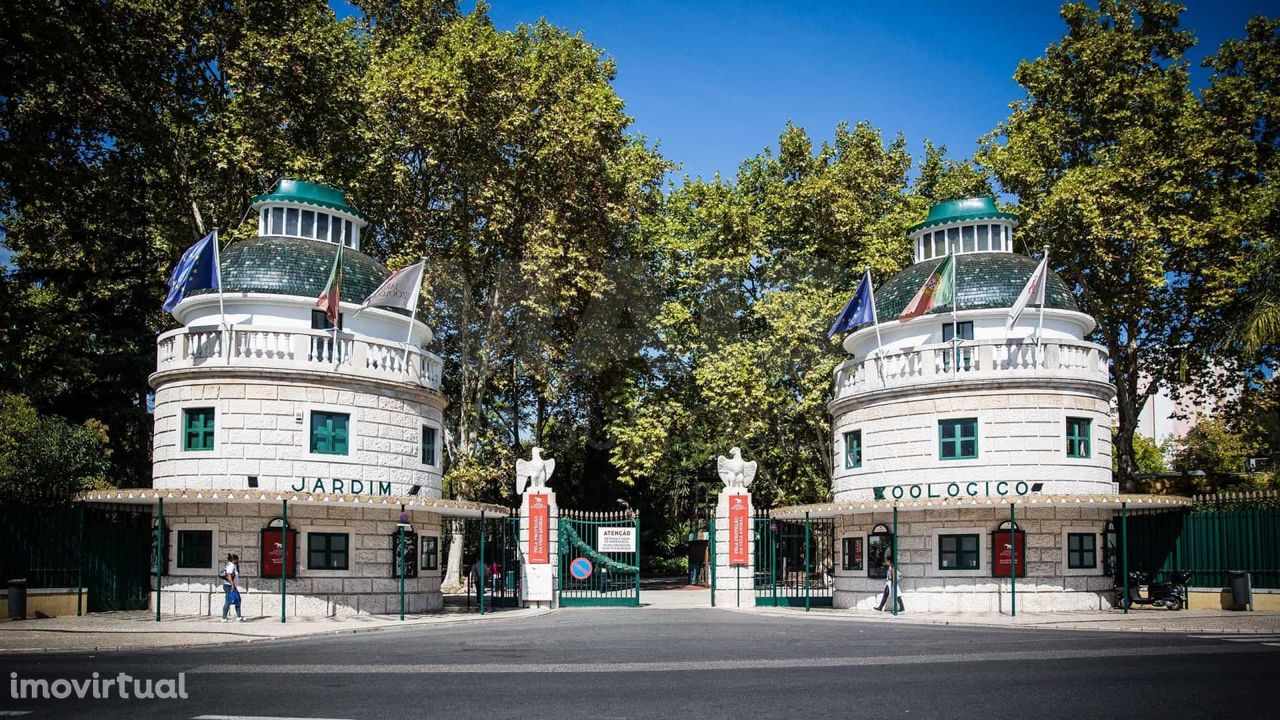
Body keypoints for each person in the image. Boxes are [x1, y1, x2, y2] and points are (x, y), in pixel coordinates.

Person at [221, 553, 243, 622]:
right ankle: (224, 618)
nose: (238, 561)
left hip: (230, 585)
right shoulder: (231, 565)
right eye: (237, 560)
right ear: (234, 560)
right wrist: (232, 584)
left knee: (237, 600)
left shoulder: (231, 565)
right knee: (229, 601)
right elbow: (229, 575)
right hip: (229, 586)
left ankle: (238, 617)